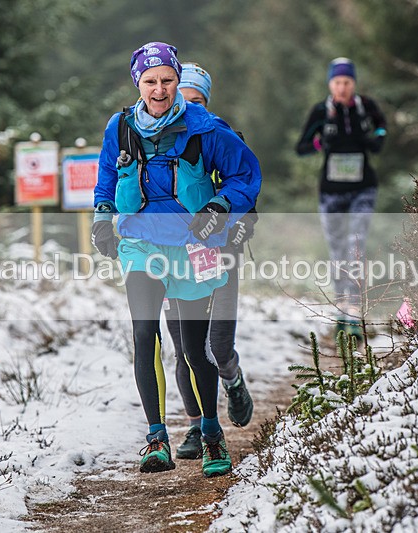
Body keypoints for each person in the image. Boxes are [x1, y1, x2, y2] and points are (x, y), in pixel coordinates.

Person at [92, 42, 262, 477]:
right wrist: (103, 218)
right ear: (138, 83)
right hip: (140, 245)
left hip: (193, 247)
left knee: (193, 346)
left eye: (167, 80)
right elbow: (108, 177)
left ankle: (210, 434)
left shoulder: (205, 128)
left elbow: (246, 175)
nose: (160, 89)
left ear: (177, 80)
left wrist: (220, 206)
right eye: (150, 81)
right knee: (145, 333)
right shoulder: (121, 126)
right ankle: (155, 437)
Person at [163, 63, 256, 462]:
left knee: (216, 345)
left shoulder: (223, 135)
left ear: (207, 101)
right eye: (182, 98)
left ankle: (233, 380)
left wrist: (236, 234)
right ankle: (198, 425)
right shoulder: (159, 141)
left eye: (196, 99)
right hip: (173, 256)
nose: (188, 106)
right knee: (185, 346)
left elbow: (248, 196)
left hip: (219, 253)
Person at [295, 57, 387, 339]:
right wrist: (322, 141)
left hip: (363, 188)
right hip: (331, 192)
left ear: (354, 83)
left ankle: (355, 316)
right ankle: (341, 315)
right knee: (337, 253)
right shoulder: (321, 111)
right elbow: (301, 147)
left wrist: (373, 140)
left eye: (347, 82)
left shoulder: (365, 107)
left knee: (355, 248)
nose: (343, 87)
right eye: (337, 82)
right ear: (330, 84)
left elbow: (382, 128)